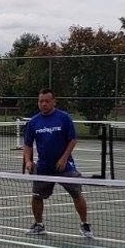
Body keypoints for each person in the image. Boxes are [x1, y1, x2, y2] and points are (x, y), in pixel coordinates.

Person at [23, 88, 93, 238]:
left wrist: (64, 158)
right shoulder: (34, 122)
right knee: (36, 196)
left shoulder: (64, 118)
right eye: (41, 101)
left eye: (47, 101)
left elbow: (72, 139)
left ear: (54, 101)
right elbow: (28, 144)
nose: (44, 104)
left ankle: (85, 225)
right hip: (43, 167)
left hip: (65, 166)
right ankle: (39, 225)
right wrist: (28, 161)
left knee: (77, 194)